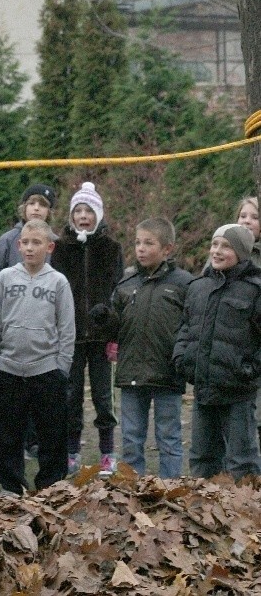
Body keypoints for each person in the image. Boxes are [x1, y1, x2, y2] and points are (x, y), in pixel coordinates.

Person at [0, 219, 75, 496]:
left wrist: (62, 366)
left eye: (36, 243)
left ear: (49, 247)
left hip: (47, 369)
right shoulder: (5, 278)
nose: (30, 248)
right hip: (8, 369)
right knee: (8, 433)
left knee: (52, 433)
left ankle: (50, 484)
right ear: (18, 245)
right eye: (25, 242)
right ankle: (11, 485)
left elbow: (67, 327)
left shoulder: (58, 282)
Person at [99, 218, 192, 479]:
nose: (141, 248)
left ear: (167, 249)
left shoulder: (183, 284)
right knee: (131, 438)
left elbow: (191, 324)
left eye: (149, 243)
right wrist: (104, 318)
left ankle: (170, 489)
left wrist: (183, 358)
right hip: (131, 373)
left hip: (167, 373)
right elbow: (115, 329)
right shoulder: (127, 284)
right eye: (138, 242)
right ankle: (132, 489)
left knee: (169, 438)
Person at [173, 224, 261, 480]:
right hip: (204, 388)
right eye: (214, 244)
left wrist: (250, 368)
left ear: (242, 252)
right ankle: (205, 512)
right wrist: (182, 358)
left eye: (226, 246)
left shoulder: (255, 290)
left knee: (242, 461)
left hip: (238, 392)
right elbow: (185, 327)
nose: (217, 251)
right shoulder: (198, 287)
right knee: (202, 458)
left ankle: (248, 513)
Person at [50, 182, 123, 476]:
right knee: (71, 396)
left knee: (103, 399)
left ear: (98, 214)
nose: (83, 216)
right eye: (78, 211)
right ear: (71, 216)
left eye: (88, 211)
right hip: (71, 337)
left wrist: (113, 332)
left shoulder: (111, 248)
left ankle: (107, 452)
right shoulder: (62, 249)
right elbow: (55, 291)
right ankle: (71, 451)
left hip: (101, 336)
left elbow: (118, 291)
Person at [0, 183, 57, 311]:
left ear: (49, 211)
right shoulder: (7, 240)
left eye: (43, 205)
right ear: (24, 208)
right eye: (32, 203)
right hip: (10, 314)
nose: (36, 208)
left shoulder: (56, 243)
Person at [234, 196, 261, 450]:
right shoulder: (225, 250)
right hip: (235, 346)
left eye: (254, 217)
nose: (248, 221)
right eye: (243, 216)